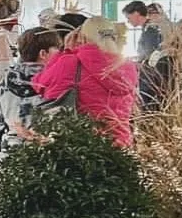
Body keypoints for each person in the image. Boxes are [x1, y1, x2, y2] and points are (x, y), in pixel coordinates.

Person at [33, 15, 137, 148]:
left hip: (85, 147)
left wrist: (64, 51)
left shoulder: (70, 61)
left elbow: (39, 84)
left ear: (82, 37)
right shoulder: (128, 66)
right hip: (122, 144)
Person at [0, 28, 62, 156]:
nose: (60, 54)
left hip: (12, 153)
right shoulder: (55, 83)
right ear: (43, 54)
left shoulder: (4, 83)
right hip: (47, 153)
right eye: (57, 50)